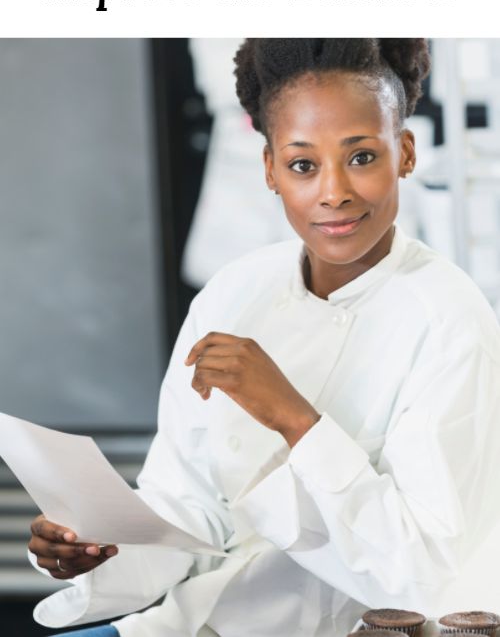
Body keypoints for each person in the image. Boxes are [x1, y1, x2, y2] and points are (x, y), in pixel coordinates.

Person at [28, 39, 500, 637]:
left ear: (404, 153)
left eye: (361, 157)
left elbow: (422, 573)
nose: (334, 191)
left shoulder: (451, 320)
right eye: (303, 164)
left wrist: (296, 422)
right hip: (207, 616)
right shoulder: (232, 295)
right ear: (271, 169)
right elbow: (191, 508)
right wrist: (102, 549)